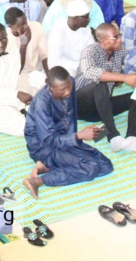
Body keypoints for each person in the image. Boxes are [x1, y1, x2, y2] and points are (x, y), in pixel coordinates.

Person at [22, 66, 113, 199]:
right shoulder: (42, 103)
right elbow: (48, 139)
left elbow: (70, 116)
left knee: (106, 165)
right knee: (91, 167)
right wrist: (78, 136)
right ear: (50, 87)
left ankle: (49, 166)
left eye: (69, 87)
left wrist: (78, 137)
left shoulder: (70, 82)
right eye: (62, 89)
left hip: (65, 139)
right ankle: (38, 181)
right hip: (44, 147)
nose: (68, 92)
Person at [75, 23, 136, 152]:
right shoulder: (90, 51)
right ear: (102, 41)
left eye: (119, 35)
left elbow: (132, 65)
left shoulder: (119, 52)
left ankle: (132, 137)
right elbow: (90, 72)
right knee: (101, 84)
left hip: (102, 108)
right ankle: (114, 137)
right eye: (115, 37)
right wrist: (125, 78)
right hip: (81, 105)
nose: (120, 40)